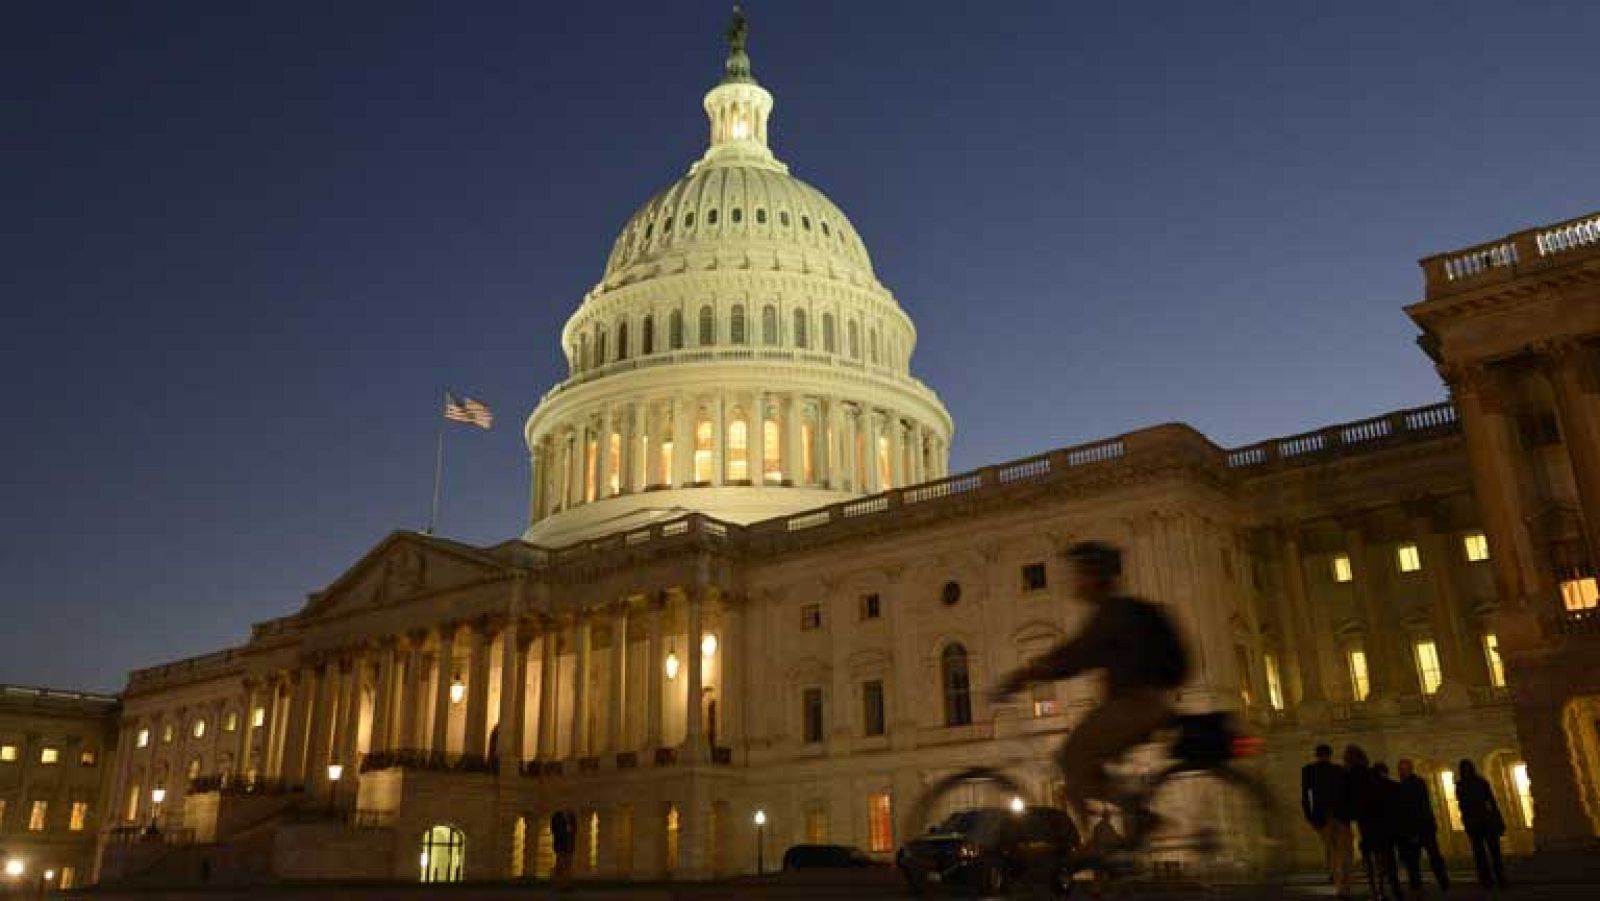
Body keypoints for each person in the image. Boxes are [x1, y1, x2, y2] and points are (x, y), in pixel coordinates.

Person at [991, 541, 1189, 832]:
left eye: (1080, 574)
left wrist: (1024, 676)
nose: (1075, 581)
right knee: (1087, 768)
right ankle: (1112, 831)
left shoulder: (1112, 614)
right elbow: (1080, 654)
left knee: (1072, 757)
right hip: (1150, 703)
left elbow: (1076, 656)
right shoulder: (1120, 611)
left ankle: (1115, 827)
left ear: (1096, 577)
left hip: (1136, 706)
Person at [1345, 746, 1402, 901]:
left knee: (1368, 857)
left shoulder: (1348, 776)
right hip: (1378, 819)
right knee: (1381, 856)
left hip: (1363, 821)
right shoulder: (1371, 774)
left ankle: (1374, 890)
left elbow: (1348, 800)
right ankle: (1383, 888)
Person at [1301, 743, 1355, 897]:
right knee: (1346, 852)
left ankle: (1339, 886)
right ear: (1330, 755)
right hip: (1341, 816)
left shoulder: (1309, 771)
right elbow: (1347, 795)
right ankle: (1347, 885)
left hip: (1322, 817)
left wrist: (1311, 817)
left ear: (1316, 755)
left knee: (1332, 853)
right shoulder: (1339, 770)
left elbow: (1306, 796)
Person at [1395, 758, 1450, 892]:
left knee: (1423, 858)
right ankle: (1440, 882)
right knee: (1423, 858)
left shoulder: (1410, 785)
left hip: (1419, 827)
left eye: (1403, 769)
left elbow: (1416, 808)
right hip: (1422, 827)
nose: (1401, 772)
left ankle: (1432, 883)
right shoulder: (1416, 784)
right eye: (1400, 769)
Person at [1455, 759, 1508, 888]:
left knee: (1485, 852)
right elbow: (1490, 802)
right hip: (1480, 821)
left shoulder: (1466, 784)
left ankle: (1490, 879)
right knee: (1488, 852)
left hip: (1480, 821)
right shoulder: (1476, 783)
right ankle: (1494, 879)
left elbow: (1464, 805)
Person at [550, 808, 577, 889]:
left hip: (569, 844)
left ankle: (567, 883)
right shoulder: (557, 816)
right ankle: (559, 883)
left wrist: (571, 831)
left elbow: (575, 829)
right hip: (560, 844)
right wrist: (565, 829)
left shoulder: (572, 816)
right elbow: (554, 830)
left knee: (568, 864)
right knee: (560, 865)